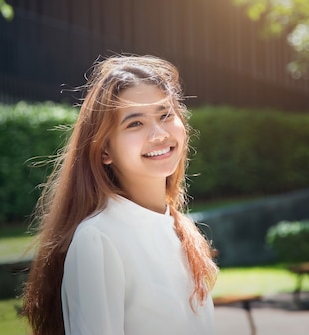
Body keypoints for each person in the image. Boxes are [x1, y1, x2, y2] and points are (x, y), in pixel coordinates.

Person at [22, 54, 218, 335]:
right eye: (135, 123)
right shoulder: (99, 239)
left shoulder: (179, 227)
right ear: (104, 150)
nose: (159, 133)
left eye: (165, 114)